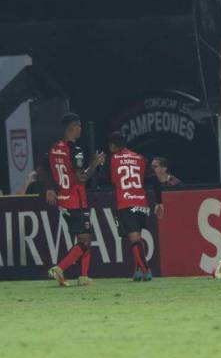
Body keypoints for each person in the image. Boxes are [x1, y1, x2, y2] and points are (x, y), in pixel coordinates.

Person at [45, 113, 105, 287]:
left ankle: (83, 276)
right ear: (72, 128)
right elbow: (82, 177)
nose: (81, 129)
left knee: (83, 238)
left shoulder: (54, 148)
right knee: (85, 240)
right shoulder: (76, 151)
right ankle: (59, 268)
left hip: (63, 200)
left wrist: (50, 188)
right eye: (79, 126)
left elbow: (48, 170)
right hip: (76, 200)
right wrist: (94, 163)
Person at [107, 132, 164, 281]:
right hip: (141, 203)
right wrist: (159, 202)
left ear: (113, 146)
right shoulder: (139, 158)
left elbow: (107, 179)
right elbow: (155, 181)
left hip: (126, 202)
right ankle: (138, 271)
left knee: (134, 240)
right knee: (137, 238)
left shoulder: (113, 159)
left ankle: (146, 270)